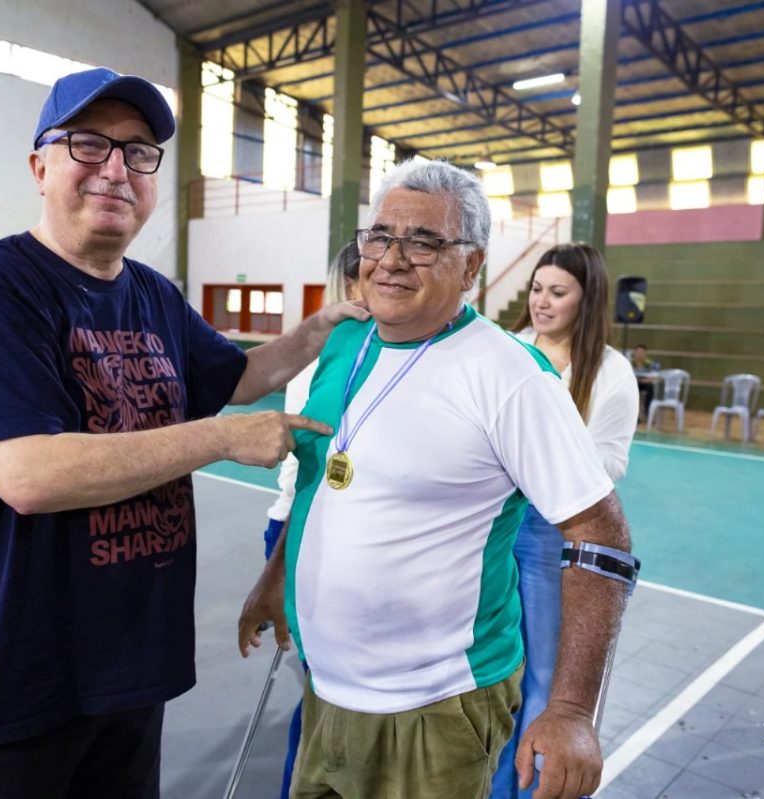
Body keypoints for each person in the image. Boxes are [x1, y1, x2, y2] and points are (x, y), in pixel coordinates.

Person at [0, 67, 366, 798]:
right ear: (40, 165)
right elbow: (30, 475)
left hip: (126, 666)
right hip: (13, 673)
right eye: (89, 145)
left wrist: (320, 327)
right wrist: (220, 440)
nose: (117, 169)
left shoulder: (153, 292)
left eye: (140, 151)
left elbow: (233, 377)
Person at [238, 159, 634, 799]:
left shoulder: (510, 377)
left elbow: (603, 535)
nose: (391, 259)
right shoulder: (347, 342)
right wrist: (274, 578)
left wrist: (568, 711)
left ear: (472, 266)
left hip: (435, 708)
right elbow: (326, 481)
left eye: (423, 242)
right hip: (328, 688)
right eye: (379, 236)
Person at [492, 243, 640, 799]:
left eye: (558, 293)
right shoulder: (507, 350)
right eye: (536, 289)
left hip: (554, 537)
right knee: (491, 657)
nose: (542, 302)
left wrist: (544, 454)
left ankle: (522, 789)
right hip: (494, 522)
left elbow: (611, 463)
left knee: (545, 677)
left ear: (586, 298)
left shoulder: (611, 372)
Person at [260, 241, 361, 799]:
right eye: (362, 282)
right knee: (322, 687)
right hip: (299, 526)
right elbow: (311, 475)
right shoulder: (326, 358)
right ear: (347, 288)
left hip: (345, 531)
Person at [629, 343, 660, 421]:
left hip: (645, 384)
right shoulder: (628, 363)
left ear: (645, 354)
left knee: (650, 387)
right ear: (634, 353)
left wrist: (643, 380)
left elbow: (655, 377)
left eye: (642, 352)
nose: (640, 354)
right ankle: (634, 415)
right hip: (633, 384)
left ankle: (648, 413)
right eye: (638, 352)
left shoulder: (652, 364)